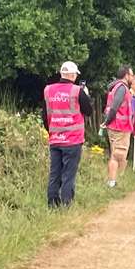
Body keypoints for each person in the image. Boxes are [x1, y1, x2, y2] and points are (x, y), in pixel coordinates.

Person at [42, 61, 93, 207]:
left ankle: (52, 204)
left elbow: (45, 115)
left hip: (55, 139)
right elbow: (88, 111)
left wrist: (51, 131)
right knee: (68, 175)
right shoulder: (77, 91)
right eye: (75, 74)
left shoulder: (48, 90)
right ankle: (66, 204)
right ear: (72, 75)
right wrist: (86, 96)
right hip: (73, 139)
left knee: (54, 173)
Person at [102, 65, 135, 189]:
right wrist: (107, 122)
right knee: (118, 155)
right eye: (132, 75)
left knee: (116, 154)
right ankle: (112, 182)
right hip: (119, 127)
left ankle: (114, 181)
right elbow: (115, 107)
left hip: (117, 126)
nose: (133, 77)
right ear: (126, 75)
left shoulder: (116, 87)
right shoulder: (122, 88)